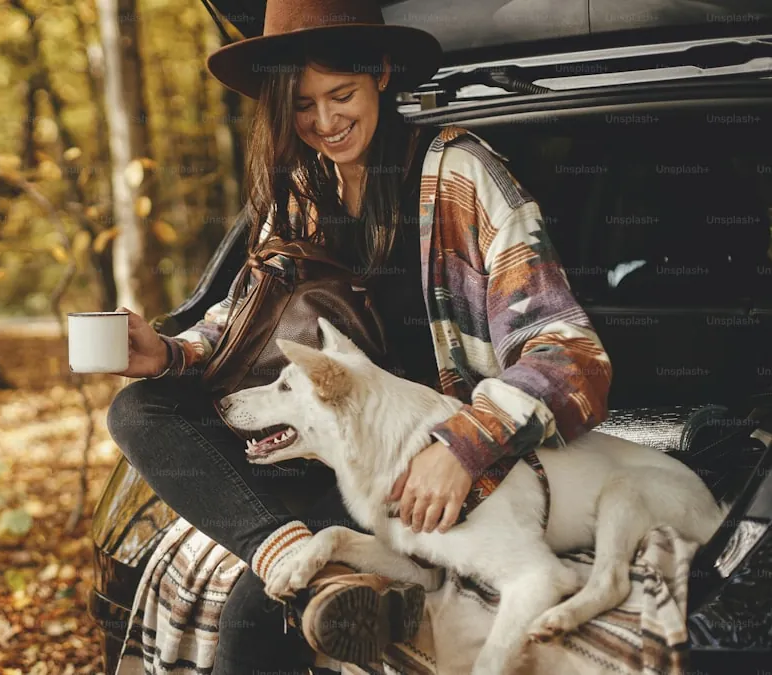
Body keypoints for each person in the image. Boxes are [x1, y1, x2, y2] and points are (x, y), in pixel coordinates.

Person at [105, 1, 614, 672]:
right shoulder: (298, 187)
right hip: (306, 431)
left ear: (379, 71)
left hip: (400, 459)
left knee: (253, 618)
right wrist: (169, 352)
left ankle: (319, 566)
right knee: (137, 406)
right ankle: (283, 546)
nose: (324, 121)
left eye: (339, 94)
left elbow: (569, 352)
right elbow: (243, 320)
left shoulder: (460, 173)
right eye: (303, 105)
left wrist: (460, 447)